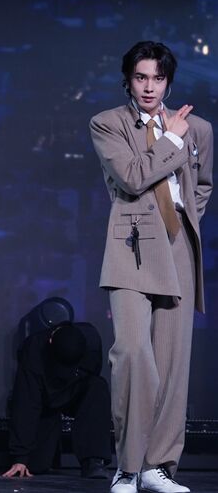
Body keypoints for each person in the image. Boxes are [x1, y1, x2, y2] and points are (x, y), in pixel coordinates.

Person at [90, 41, 212, 493]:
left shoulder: (199, 128)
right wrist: (171, 140)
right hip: (132, 244)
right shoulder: (109, 123)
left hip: (177, 244)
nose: (149, 87)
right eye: (141, 77)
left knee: (172, 364)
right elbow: (133, 176)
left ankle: (157, 466)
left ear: (168, 83)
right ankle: (127, 465)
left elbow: (202, 186)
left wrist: (184, 222)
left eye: (157, 79)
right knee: (133, 354)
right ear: (128, 80)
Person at [2, 322, 111, 480]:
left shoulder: (92, 342)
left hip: (75, 390)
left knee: (97, 387)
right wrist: (20, 457)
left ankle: (94, 461)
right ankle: (44, 454)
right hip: (45, 401)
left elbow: (91, 373)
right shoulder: (34, 349)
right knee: (35, 465)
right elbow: (26, 402)